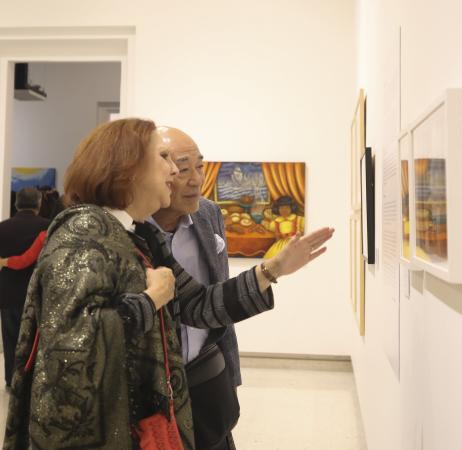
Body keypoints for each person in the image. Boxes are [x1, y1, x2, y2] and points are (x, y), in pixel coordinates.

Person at [3, 118, 334, 450]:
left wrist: (273, 269)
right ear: (128, 170)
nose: (175, 172)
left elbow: (198, 305)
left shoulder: (140, 235)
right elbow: (72, 348)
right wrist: (151, 299)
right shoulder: (82, 235)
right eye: (164, 159)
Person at [150, 127, 240, 450]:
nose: (196, 180)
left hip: (207, 377)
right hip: (154, 392)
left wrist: (231, 376)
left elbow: (218, 301)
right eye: (183, 168)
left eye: (200, 167)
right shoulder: (133, 230)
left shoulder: (208, 214)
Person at [0, 188, 50, 390]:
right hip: (39, 293)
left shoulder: (2, 228)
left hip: (8, 293)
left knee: (10, 339)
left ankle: (11, 380)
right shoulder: (48, 226)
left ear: (16, 204)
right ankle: (30, 383)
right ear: (39, 204)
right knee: (34, 342)